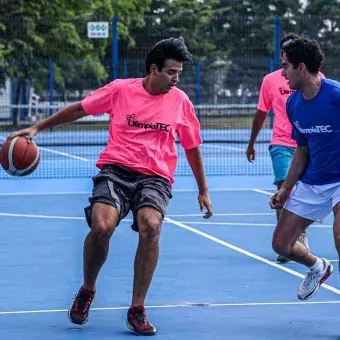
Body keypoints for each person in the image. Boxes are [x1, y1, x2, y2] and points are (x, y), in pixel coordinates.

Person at [9, 37, 213, 336]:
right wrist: (38, 127)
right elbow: (80, 109)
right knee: (102, 226)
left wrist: (203, 190)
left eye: (178, 73)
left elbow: (192, 147)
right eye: (171, 72)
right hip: (116, 170)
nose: (176, 78)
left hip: (155, 176)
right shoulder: (120, 90)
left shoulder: (180, 101)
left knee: (151, 225)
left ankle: (137, 308)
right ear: (153, 69)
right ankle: (87, 289)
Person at [269, 37, 338, 301]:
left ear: (300, 68)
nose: (281, 73)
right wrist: (286, 189)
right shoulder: (293, 104)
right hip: (314, 181)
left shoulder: (336, 96)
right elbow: (302, 150)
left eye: (285, 66)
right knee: (281, 244)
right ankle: (318, 267)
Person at [246, 33, 321, 262]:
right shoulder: (271, 80)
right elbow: (261, 112)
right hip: (282, 143)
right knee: (284, 189)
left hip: (309, 145)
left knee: (305, 192)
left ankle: (295, 236)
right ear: (282, 54)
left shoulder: (317, 79)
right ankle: (292, 243)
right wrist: (251, 142)